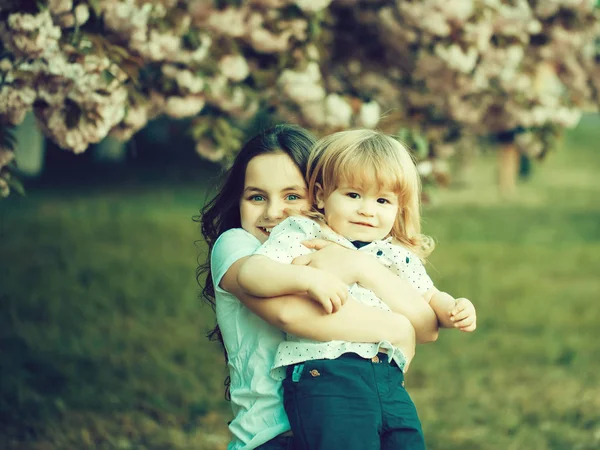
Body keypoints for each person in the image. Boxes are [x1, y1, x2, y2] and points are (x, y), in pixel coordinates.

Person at [198, 125, 439, 450]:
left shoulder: (338, 248)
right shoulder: (237, 245)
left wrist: (361, 266)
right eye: (256, 197)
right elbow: (289, 313)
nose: (272, 212)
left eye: (292, 196)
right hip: (273, 439)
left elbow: (427, 325)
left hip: (355, 416)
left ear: (322, 194)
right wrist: (398, 329)